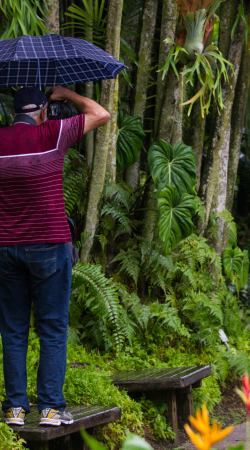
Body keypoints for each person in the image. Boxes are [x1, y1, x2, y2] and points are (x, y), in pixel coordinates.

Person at [0, 86, 109, 427]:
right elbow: (101, 114)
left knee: (13, 330)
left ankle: (15, 409)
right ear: (43, 112)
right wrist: (67, 94)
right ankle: (49, 409)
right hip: (49, 245)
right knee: (52, 328)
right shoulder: (53, 133)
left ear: (14, 112)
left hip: (5, 248)